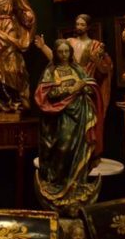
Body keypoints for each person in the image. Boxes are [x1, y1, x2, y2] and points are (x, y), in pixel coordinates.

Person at [34, 40, 101, 216]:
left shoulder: (77, 69)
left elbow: (89, 87)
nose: (64, 55)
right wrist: (72, 89)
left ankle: (77, 184)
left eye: (66, 52)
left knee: (81, 148)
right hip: (61, 116)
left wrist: (85, 88)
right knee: (63, 147)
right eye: (60, 52)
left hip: (81, 114)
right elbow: (48, 94)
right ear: (56, 53)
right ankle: (58, 183)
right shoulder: (51, 71)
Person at [34, 14, 112, 158]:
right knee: (65, 130)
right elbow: (56, 59)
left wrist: (97, 60)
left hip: (85, 90)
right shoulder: (69, 42)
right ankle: (68, 158)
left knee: (86, 127)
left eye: (82, 24)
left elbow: (104, 70)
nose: (79, 27)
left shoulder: (96, 46)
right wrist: (43, 47)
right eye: (77, 24)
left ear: (88, 27)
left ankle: (85, 157)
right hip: (66, 90)